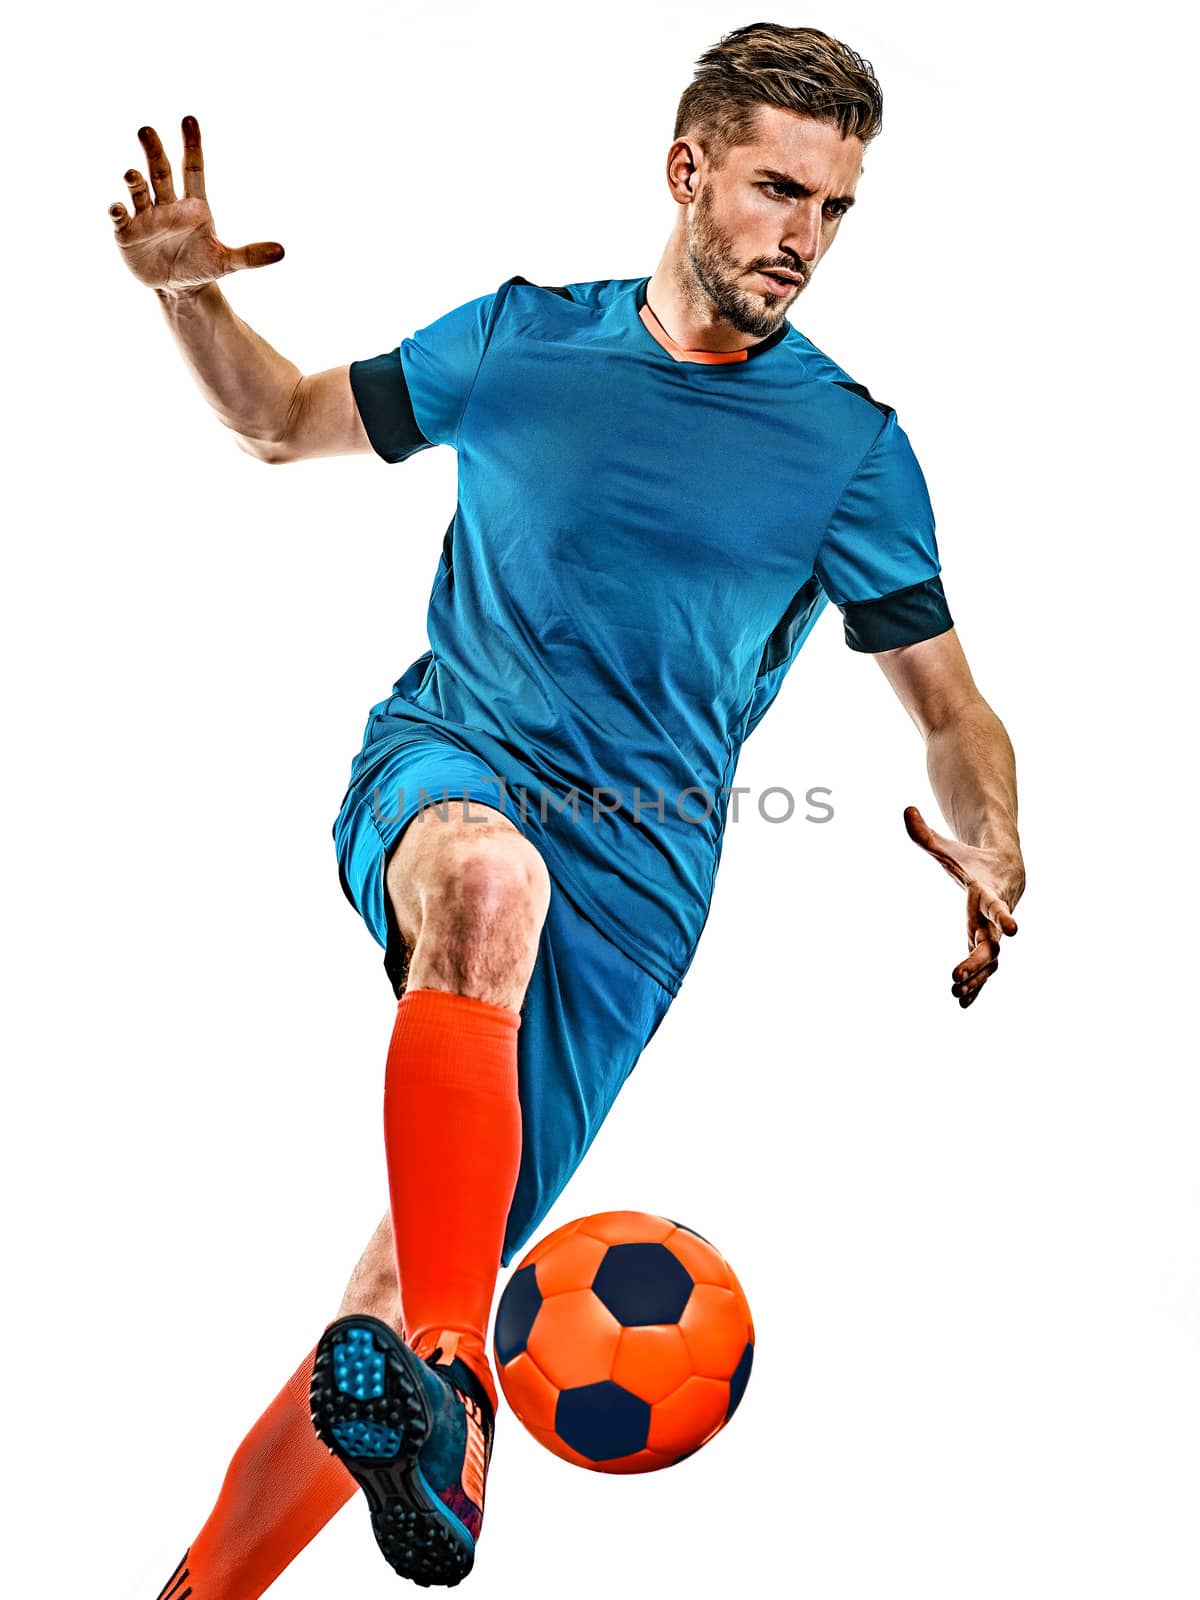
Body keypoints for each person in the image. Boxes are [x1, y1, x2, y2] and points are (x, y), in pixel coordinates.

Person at [115, 22, 1024, 1598]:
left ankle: (214, 1576)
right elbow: (278, 420)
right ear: (687, 172)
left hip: (643, 885)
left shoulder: (853, 452)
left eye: (833, 209)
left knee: (388, 1307)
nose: (804, 239)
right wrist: (196, 292)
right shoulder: (524, 343)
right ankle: (471, 1393)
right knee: (484, 885)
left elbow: (952, 708)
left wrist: (996, 833)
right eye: (775, 190)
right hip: (453, 758)